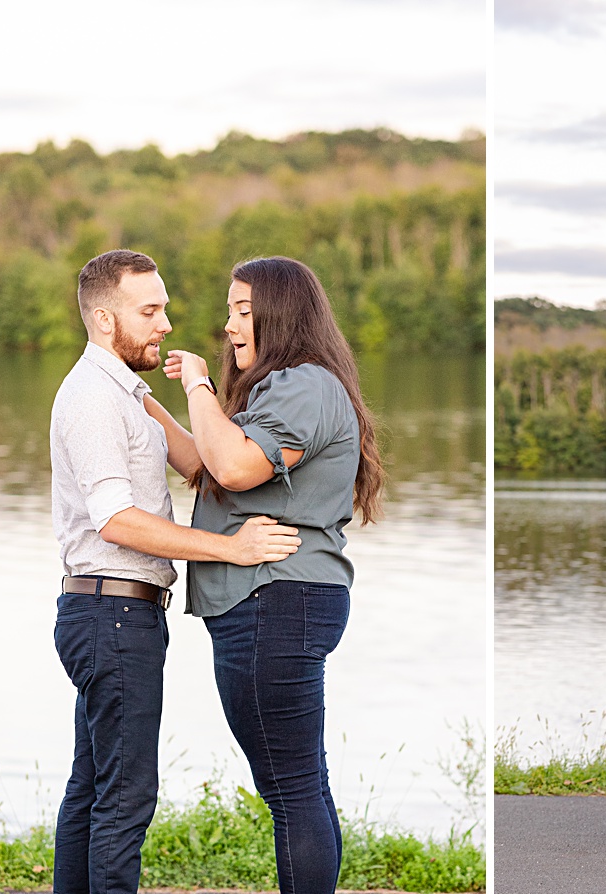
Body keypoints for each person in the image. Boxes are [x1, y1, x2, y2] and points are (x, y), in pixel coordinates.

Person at [50, 249, 301, 894]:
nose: (166, 323)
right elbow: (115, 518)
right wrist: (232, 550)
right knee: (125, 797)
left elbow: (202, 468)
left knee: (94, 786)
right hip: (112, 613)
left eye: (164, 308)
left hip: (111, 612)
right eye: (150, 311)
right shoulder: (92, 399)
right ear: (106, 321)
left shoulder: (124, 393)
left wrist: (192, 393)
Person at [144, 255, 385, 894]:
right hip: (272, 603)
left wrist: (197, 385)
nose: (229, 327)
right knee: (299, 782)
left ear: (281, 315)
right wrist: (144, 403)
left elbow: (234, 469)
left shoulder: (305, 385)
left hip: (275, 601)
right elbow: (206, 464)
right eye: (229, 312)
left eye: (242, 311)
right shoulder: (286, 388)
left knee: (292, 788)